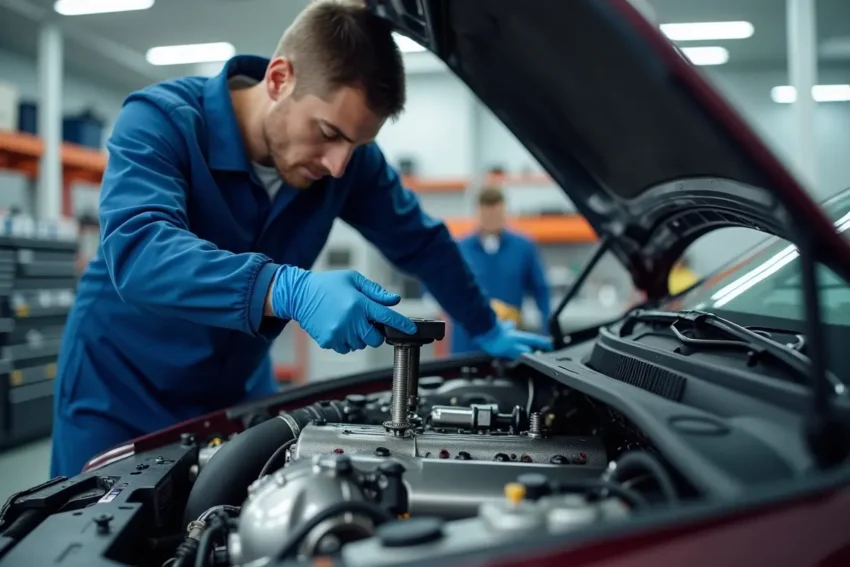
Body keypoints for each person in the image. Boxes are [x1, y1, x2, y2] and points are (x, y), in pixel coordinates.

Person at [50, 0, 551, 477]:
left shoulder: (348, 165)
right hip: (118, 390)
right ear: (279, 79)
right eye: (329, 132)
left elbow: (421, 242)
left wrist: (484, 326)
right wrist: (286, 288)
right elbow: (139, 252)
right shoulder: (162, 122)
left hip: (234, 385)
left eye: (357, 144)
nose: (338, 165)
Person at [451, 187, 551, 355]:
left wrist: (548, 330)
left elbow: (541, 291)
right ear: (478, 213)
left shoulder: (524, 247)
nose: (491, 220)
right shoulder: (459, 248)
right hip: (467, 340)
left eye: (495, 215)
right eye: (486, 215)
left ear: (504, 212)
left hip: (510, 336)